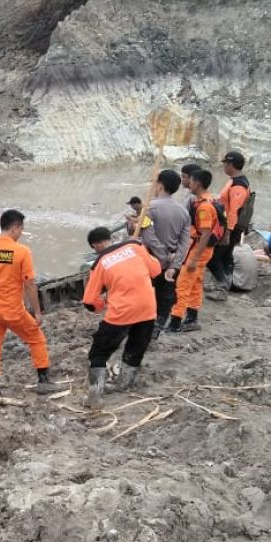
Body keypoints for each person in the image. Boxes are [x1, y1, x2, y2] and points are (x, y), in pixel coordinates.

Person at [0, 209, 56, 397]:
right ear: (14, 228)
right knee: (36, 338)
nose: (20, 233)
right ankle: (43, 380)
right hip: (12, 310)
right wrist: (37, 311)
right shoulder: (22, 251)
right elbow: (29, 283)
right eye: (21, 229)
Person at [82, 227, 162, 408]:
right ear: (110, 238)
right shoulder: (134, 247)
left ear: (95, 246)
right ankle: (125, 384)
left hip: (121, 313)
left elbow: (89, 301)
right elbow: (156, 270)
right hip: (148, 309)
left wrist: (102, 304)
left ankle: (95, 395)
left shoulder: (100, 263)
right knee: (135, 348)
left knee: (98, 353)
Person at [138, 169, 191, 337]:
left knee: (143, 294)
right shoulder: (183, 211)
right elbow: (185, 243)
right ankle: (158, 324)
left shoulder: (149, 208)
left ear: (159, 186)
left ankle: (143, 327)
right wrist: (174, 264)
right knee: (166, 296)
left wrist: (162, 255)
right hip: (171, 264)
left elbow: (148, 235)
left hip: (150, 260)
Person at [167, 168, 219, 333]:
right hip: (200, 249)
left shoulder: (204, 207)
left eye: (191, 180)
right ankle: (192, 318)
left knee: (182, 285)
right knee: (195, 283)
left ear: (197, 183)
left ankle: (174, 323)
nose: (188, 182)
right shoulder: (205, 201)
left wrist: (195, 258)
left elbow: (205, 233)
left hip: (198, 251)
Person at [209, 151, 252, 299]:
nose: (224, 167)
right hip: (227, 226)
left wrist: (227, 232)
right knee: (226, 257)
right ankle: (225, 285)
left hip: (228, 227)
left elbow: (234, 210)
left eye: (225, 164)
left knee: (214, 257)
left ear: (231, 164)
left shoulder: (238, 185)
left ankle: (222, 288)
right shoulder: (234, 180)